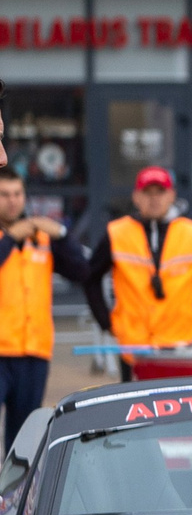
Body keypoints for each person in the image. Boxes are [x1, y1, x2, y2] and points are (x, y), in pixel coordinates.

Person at [81, 166, 192, 376]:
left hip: (179, 344)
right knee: (135, 408)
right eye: (147, 193)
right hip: (133, 346)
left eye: (160, 192)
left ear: (172, 195)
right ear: (136, 197)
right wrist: (106, 322)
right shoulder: (117, 233)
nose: (154, 199)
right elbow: (90, 277)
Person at [0, 167, 90, 444]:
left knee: (24, 437)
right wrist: (12, 237)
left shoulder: (40, 237)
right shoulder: (14, 235)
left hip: (34, 351)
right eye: (4, 194)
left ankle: (13, 489)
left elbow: (82, 271)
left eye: (17, 193)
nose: (12, 200)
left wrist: (62, 235)